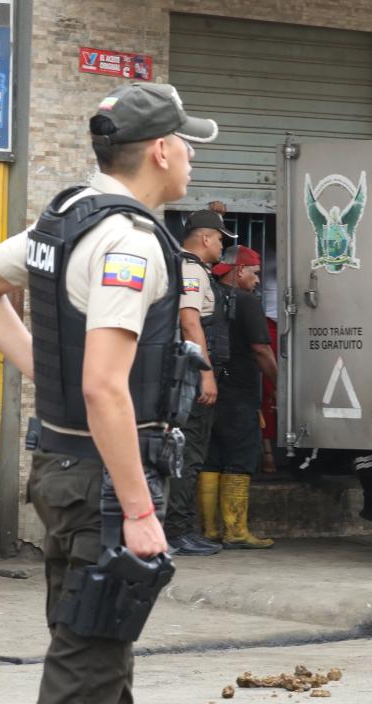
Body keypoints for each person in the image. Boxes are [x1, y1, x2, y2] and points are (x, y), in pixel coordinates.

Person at [0, 82, 217, 703]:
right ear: (158, 150)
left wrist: (49, 376)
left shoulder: (67, 216)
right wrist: (140, 511)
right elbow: (103, 387)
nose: (191, 156)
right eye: (185, 143)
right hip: (104, 482)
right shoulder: (130, 241)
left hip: (62, 467)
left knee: (96, 642)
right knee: (86, 663)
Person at [167, 208, 237, 557]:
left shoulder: (194, 269)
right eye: (222, 238)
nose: (223, 245)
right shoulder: (190, 269)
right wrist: (205, 373)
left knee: (188, 453)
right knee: (189, 454)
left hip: (187, 376)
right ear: (206, 237)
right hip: (190, 378)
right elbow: (190, 324)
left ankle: (176, 528)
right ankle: (176, 532)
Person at [199, 245, 279, 548]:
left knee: (211, 459)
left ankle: (209, 530)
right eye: (255, 273)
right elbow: (261, 349)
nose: (258, 281)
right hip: (239, 394)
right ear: (240, 270)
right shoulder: (246, 303)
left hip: (207, 391)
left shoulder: (206, 297)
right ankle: (235, 531)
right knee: (239, 459)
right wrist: (279, 385)